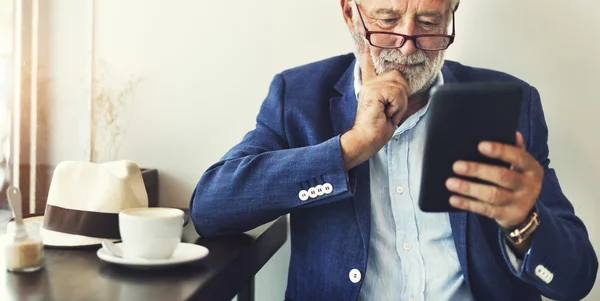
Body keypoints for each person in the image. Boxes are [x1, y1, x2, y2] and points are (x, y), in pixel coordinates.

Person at [189, 0, 598, 300]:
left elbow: (576, 279)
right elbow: (211, 208)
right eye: (387, 20)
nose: (408, 46)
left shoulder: (513, 106)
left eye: (429, 22)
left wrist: (524, 223)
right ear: (350, 13)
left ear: (452, 13)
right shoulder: (297, 97)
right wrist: (348, 148)